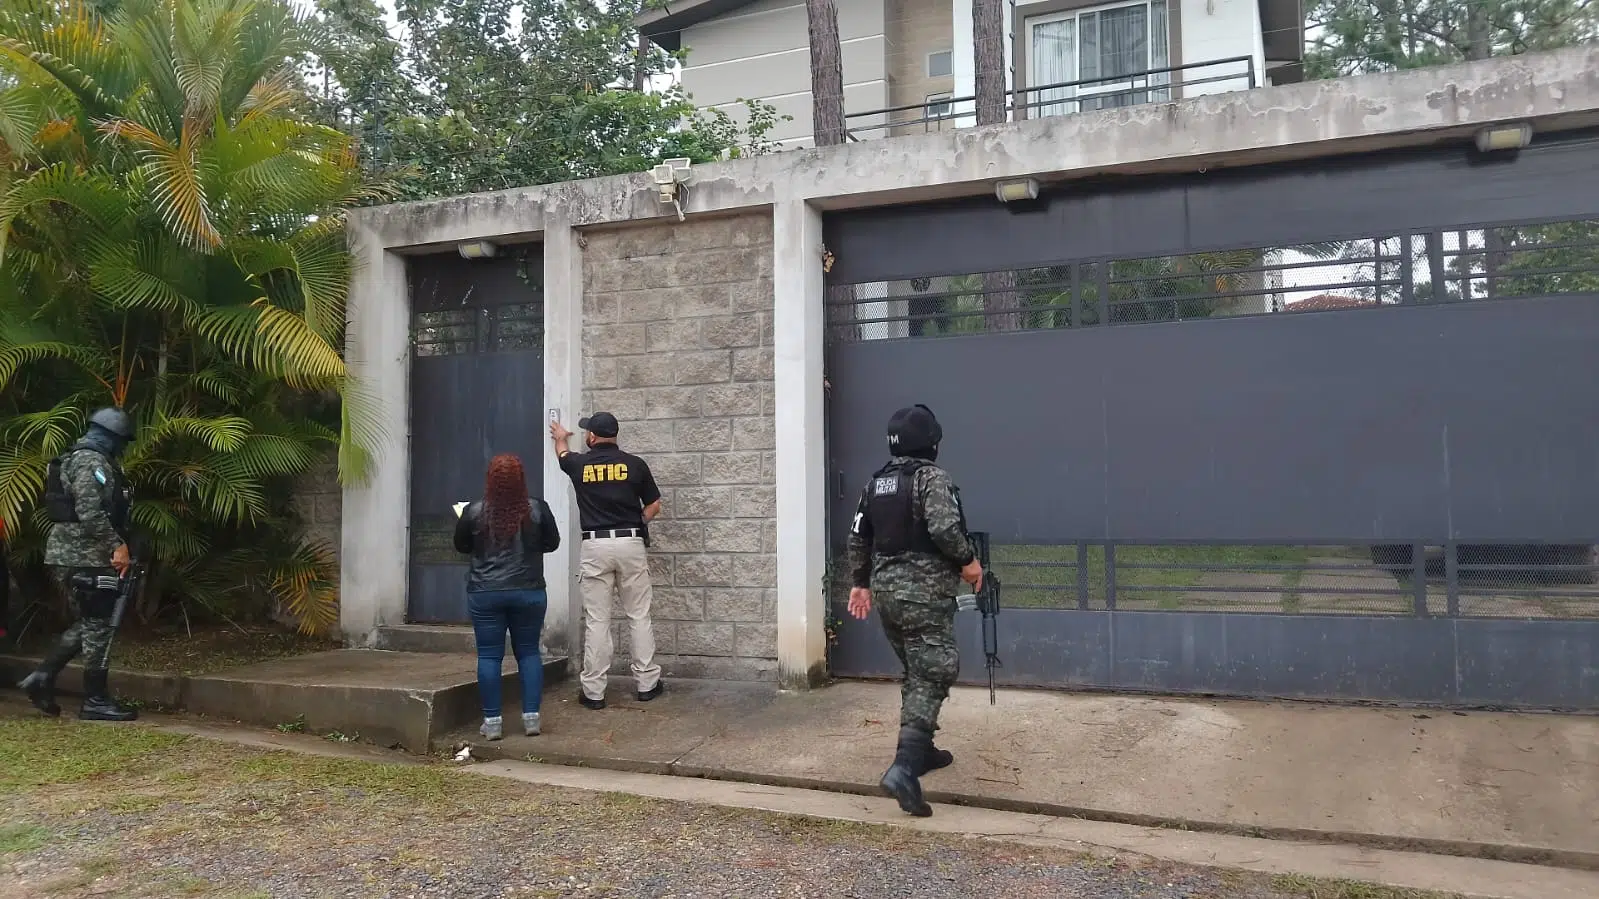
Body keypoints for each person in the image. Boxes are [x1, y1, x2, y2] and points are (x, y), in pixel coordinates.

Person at [845, 404, 982, 818]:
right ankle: (904, 768)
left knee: (916, 670)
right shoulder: (931, 478)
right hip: (923, 593)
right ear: (931, 442)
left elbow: (858, 536)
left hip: (887, 593)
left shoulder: (876, 483)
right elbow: (943, 527)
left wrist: (860, 583)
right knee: (935, 668)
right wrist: (968, 562)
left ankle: (922, 751)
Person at [16, 407, 139, 721]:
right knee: (98, 624)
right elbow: (90, 512)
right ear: (112, 436)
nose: (122, 448)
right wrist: (117, 545)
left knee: (90, 621)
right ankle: (95, 700)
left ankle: (42, 677)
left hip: (79, 553)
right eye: (122, 441)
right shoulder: (89, 460)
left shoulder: (83, 458)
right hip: (83, 554)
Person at [549, 412, 663, 710]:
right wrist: (637, 522)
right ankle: (647, 684)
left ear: (592, 436)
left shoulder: (579, 464)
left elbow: (562, 454)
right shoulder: (635, 465)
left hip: (595, 545)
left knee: (598, 620)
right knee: (639, 615)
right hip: (630, 542)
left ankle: (594, 691)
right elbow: (654, 505)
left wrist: (560, 437)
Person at [453, 453, 561, 741]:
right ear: (521, 479)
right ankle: (531, 718)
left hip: (486, 591)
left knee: (490, 655)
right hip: (529, 590)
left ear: (490, 479)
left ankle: (492, 722)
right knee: (528, 652)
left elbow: (461, 545)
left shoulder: (474, 511)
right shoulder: (537, 508)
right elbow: (552, 543)